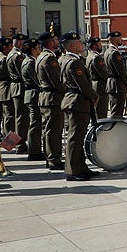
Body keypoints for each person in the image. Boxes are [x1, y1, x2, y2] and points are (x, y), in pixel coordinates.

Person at [59, 31, 99, 181]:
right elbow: (83, 84)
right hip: (77, 101)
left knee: (76, 137)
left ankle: (81, 167)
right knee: (75, 138)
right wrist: (94, 96)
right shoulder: (75, 62)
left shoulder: (63, 59)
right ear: (74, 45)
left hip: (71, 99)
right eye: (80, 43)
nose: (82, 45)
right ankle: (72, 171)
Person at [36, 32, 65, 171]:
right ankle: (54, 159)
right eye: (54, 40)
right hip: (52, 98)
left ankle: (50, 157)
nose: (57, 41)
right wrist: (67, 91)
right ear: (49, 42)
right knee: (53, 130)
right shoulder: (49, 58)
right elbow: (56, 81)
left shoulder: (41, 56)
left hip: (46, 97)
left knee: (48, 129)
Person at [20, 38, 45, 161]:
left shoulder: (31, 61)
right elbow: (37, 80)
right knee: (35, 124)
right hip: (33, 94)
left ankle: (35, 149)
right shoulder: (29, 62)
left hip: (33, 93)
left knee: (36, 123)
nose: (40, 50)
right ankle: (34, 151)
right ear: (32, 49)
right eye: (38, 48)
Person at [6, 33, 28, 153]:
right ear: (19, 43)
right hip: (19, 87)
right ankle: (19, 145)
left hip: (16, 87)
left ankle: (11, 143)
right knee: (21, 118)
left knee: (18, 117)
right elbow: (22, 73)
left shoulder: (12, 54)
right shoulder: (17, 56)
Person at [104, 31, 127, 117]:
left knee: (115, 109)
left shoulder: (107, 51)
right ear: (115, 39)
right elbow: (121, 71)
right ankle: (115, 129)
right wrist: (126, 82)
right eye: (119, 38)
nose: (121, 40)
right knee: (117, 111)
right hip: (117, 85)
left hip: (112, 83)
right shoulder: (114, 52)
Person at [86, 37, 111, 120]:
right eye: (99, 44)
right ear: (94, 46)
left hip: (94, 85)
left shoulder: (89, 56)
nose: (101, 46)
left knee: (97, 112)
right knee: (101, 113)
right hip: (100, 87)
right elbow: (104, 73)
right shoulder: (96, 58)